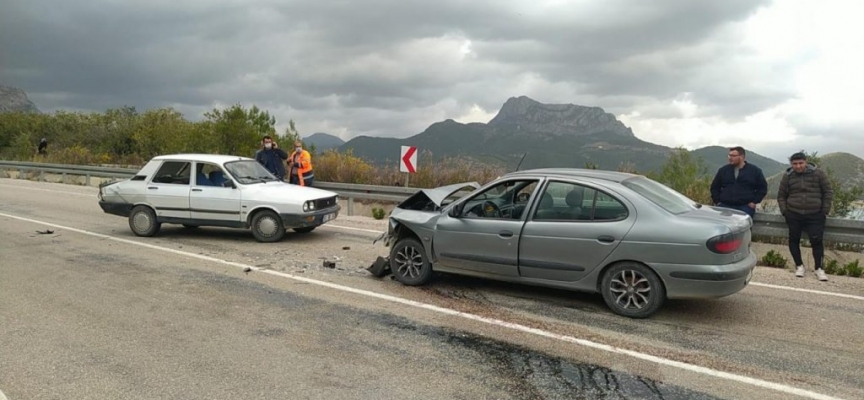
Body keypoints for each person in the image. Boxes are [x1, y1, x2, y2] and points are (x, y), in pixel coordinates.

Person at [777, 152, 833, 281]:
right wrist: (785, 211)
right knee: (794, 240)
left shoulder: (819, 174)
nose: (798, 166)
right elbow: (781, 195)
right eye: (795, 164)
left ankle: (819, 268)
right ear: (791, 164)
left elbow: (828, 192)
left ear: (806, 162)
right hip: (794, 213)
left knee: (817, 241)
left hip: (815, 214)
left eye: (800, 163)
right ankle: (799, 266)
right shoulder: (788, 176)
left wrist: (824, 210)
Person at [710, 146, 768, 218]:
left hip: (745, 207)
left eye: (733, 156)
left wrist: (754, 202)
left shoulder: (754, 171)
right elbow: (714, 187)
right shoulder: (723, 170)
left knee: (742, 228)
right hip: (725, 206)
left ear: (742, 156)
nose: (730, 158)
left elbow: (763, 188)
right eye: (729, 155)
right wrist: (717, 202)